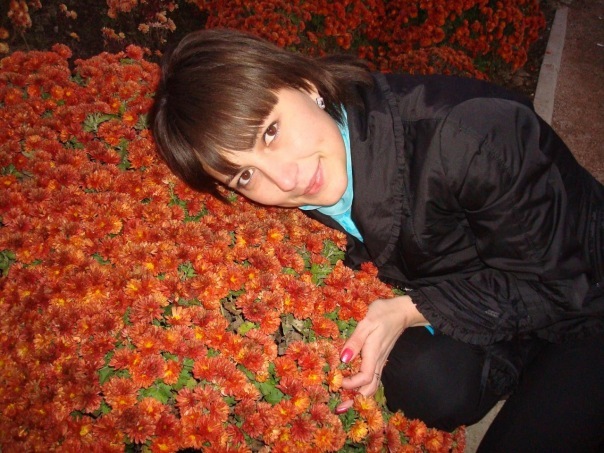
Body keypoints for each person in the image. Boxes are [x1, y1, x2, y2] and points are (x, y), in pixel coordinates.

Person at [151, 28, 604, 451]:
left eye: (270, 132)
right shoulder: (321, 164)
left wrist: (410, 309)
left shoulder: (470, 136)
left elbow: (565, 285)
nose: (285, 179)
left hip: (583, 294)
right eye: (246, 175)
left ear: (305, 84)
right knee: (425, 381)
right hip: (492, 297)